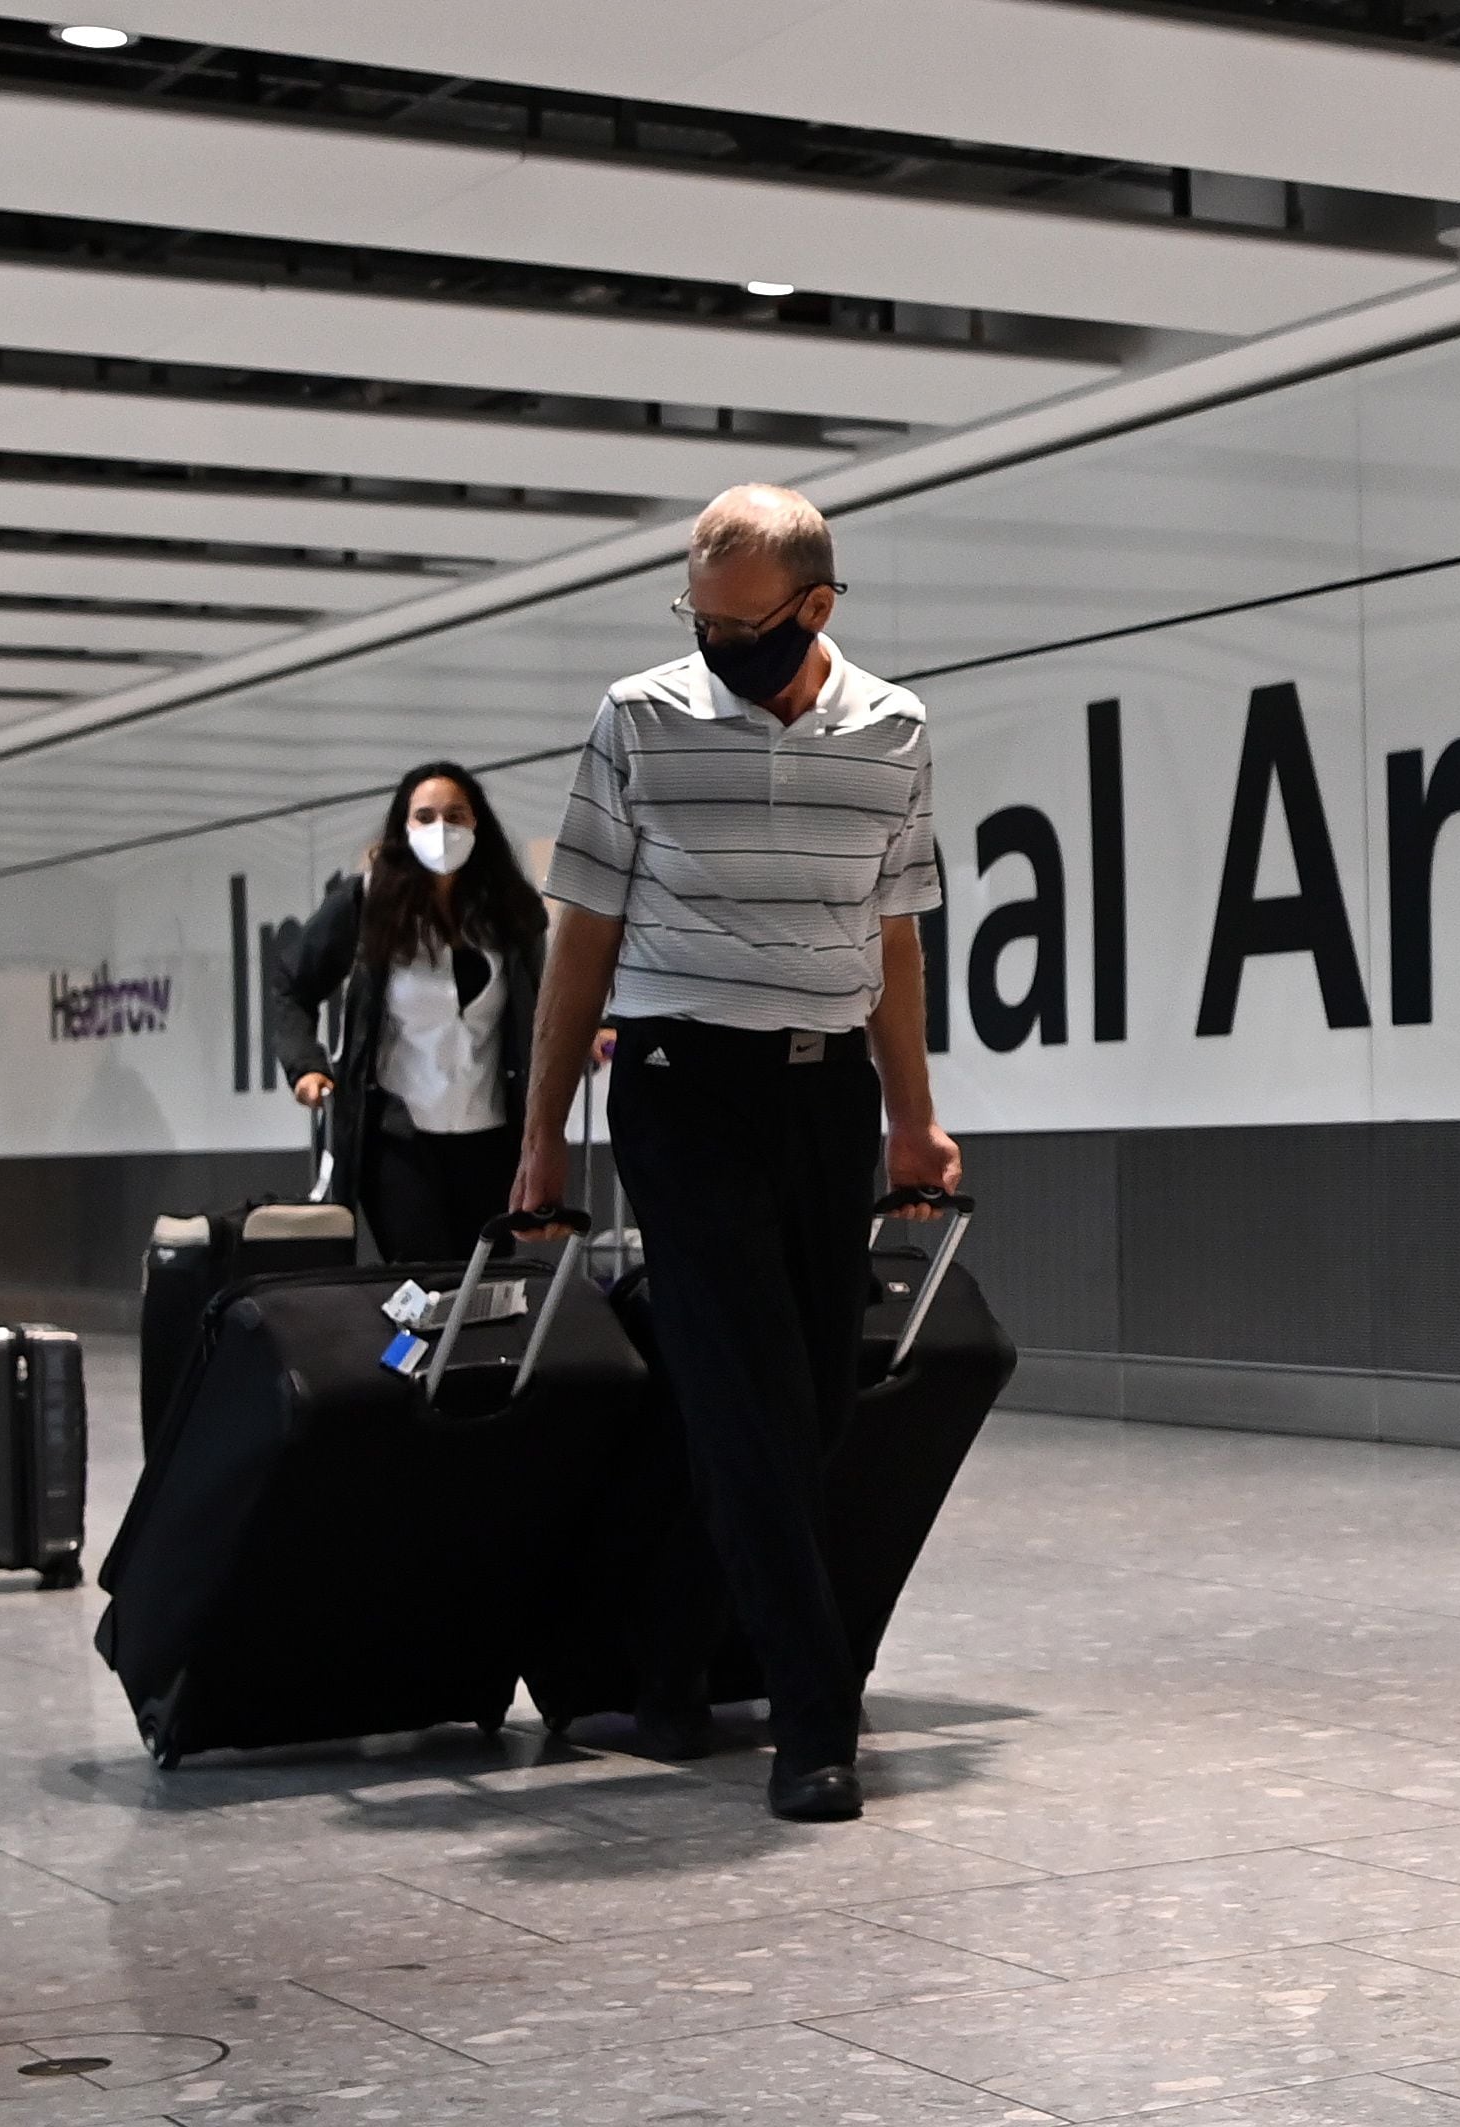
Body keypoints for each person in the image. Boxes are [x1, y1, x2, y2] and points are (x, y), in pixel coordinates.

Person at [509, 484, 956, 1824]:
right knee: (753, 1404)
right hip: (676, 1086)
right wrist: (541, 1137)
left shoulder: (895, 729)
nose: (712, 644)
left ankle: (659, 1648)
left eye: (739, 624)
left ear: (815, 608)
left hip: (823, 1100)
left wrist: (913, 1115)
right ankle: (811, 1717)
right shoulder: (637, 717)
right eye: (696, 620)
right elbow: (580, 932)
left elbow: (896, 938)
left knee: (811, 1401)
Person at [267, 762, 545, 1265]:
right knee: (424, 1280)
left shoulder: (509, 911)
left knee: (488, 1285)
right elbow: (291, 983)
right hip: (399, 1134)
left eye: (456, 815)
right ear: (404, 828)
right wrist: (305, 1064)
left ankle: (473, 1351)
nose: (443, 829)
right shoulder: (366, 902)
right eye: (426, 816)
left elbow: (546, 998)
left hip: (492, 1134)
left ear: (478, 823)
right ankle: (405, 1348)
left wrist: (593, 1031)